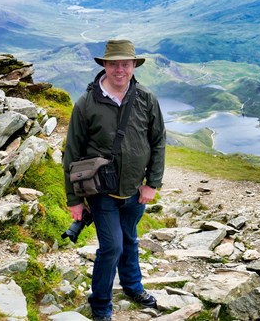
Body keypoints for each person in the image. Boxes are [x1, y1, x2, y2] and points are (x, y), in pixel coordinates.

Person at [63, 39, 166, 321]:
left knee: (129, 239)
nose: (120, 69)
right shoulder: (87, 103)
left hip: (135, 189)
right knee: (112, 247)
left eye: (125, 63)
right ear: (104, 66)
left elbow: (158, 142)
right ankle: (100, 305)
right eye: (113, 64)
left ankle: (133, 288)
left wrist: (152, 183)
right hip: (101, 190)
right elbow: (71, 151)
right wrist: (74, 200)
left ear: (133, 66)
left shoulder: (146, 99)